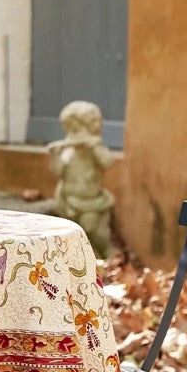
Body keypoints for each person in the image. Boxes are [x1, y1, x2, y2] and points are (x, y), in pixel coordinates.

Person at [48, 100, 115, 258]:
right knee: (71, 235)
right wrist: (55, 156)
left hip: (91, 202)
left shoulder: (94, 150)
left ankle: (109, 257)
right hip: (68, 200)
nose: (98, 125)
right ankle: (80, 261)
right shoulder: (69, 152)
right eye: (92, 122)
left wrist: (93, 147)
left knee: (94, 231)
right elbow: (59, 171)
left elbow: (107, 161)